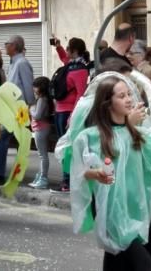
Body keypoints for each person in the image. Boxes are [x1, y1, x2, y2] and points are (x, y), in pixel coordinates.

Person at [70, 75, 151, 270]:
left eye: (129, 94)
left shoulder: (140, 135)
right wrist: (96, 173)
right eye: (121, 96)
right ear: (107, 102)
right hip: (113, 209)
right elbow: (80, 172)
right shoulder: (91, 137)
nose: (129, 99)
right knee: (139, 262)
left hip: (138, 205)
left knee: (128, 255)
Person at [0, 35, 34, 186]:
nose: (5, 46)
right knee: (0, 138)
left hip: (18, 109)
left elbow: (28, 87)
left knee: (0, 138)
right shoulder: (13, 63)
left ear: (14, 46)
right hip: (10, 108)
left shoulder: (22, 63)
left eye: (7, 43)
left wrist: (28, 108)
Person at [53, 37, 90, 192]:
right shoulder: (72, 65)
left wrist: (73, 116)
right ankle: (67, 178)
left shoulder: (79, 69)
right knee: (64, 147)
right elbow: (64, 58)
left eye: (68, 49)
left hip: (68, 113)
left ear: (75, 51)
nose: (66, 53)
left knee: (69, 148)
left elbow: (80, 95)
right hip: (60, 111)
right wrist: (59, 47)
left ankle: (68, 181)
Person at [30, 76, 53, 189]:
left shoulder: (42, 99)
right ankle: (40, 177)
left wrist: (31, 110)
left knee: (42, 155)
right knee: (42, 155)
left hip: (41, 128)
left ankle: (43, 179)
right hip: (41, 128)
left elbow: (37, 115)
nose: (34, 88)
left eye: (36, 86)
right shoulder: (43, 98)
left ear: (41, 87)